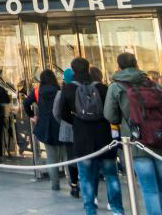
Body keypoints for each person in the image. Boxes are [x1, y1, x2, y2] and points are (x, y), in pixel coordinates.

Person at [59, 57, 122, 215]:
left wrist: (77, 121)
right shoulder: (102, 88)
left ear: (73, 71)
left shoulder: (68, 89)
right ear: (88, 68)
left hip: (82, 138)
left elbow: (62, 113)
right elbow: (111, 112)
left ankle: (90, 210)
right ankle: (117, 208)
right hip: (104, 138)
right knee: (111, 174)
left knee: (86, 177)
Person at [105, 52, 162, 215]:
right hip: (158, 139)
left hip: (136, 142)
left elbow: (110, 115)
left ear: (119, 66)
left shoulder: (116, 86)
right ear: (136, 63)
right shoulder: (151, 83)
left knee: (149, 189)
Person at [23, 69, 65, 191]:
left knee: (51, 157)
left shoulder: (37, 91)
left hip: (45, 127)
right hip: (60, 125)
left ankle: (55, 184)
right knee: (66, 155)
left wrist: (32, 116)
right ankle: (72, 183)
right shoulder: (59, 91)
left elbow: (26, 103)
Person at [53, 67, 82, 198]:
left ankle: (74, 185)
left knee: (71, 158)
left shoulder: (61, 92)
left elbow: (56, 112)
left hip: (67, 128)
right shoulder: (82, 89)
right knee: (84, 155)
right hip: (83, 127)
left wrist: (63, 122)